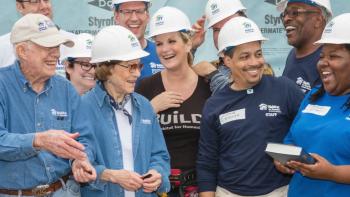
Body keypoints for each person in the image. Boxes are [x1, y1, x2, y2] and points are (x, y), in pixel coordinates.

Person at [197, 17, 304, 197]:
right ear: (227, 60)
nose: (254, 62)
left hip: (280, 191)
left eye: (258, 53)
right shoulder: (215, 104)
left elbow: (307, 131)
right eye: (244, 57)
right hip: (228, 192)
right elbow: (207, 161)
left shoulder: (285, 89)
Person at [0, 13, 96, 197]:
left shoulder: (66, 89)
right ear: (22, 51)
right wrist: (38, 141)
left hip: (64, 191)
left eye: (57, 46)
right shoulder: (2, 85)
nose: (57, 54)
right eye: (48, 46)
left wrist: (81, 160)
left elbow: (85, 138)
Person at [79, 25, 170, 197]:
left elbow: (160, 155)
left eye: (139, 66)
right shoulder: (84, 107)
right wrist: (112, 175)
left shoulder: (144, 106)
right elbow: (81, 162)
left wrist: (157, 174)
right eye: (130, 66)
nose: (136, 73)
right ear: (108, 68)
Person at [136, 7, 211, 196]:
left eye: (172, 41)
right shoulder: (146, 87)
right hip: (157, 188)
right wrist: (151, 109)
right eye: (159, 43)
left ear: (188, 44)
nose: (165, 49)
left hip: (201, 188)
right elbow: (130, 138)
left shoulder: (208, 85)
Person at [274, 13, 350, 196]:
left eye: (334, 56)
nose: (323, 63)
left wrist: (332, 172)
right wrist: (285, 159)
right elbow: (291, 139)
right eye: (322, 55)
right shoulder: (313, 95)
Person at [0, 0, 75, 77]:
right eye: (35, 1)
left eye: (46, 0)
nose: (44, 6)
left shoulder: (74, 42)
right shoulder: (2, 46)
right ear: (19, 6)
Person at [190, 0, 247, 94]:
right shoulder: (211, 68)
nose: (222, 34)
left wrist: (213, 74)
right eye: (216, 29)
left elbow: (240, 101)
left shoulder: (260, 68)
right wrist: (190, 47)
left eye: (229, 26)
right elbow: (177, 85)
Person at [277, 0, 332, 93]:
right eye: (284, 14)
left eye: (295, 12)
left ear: (318, 20)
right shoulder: (292, 54)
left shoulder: (329, 62)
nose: (286, 19)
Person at [112, 0, 164, 82]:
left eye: (140, 11)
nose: (134, 18)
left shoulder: (162, 52)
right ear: (116, 16)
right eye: (127, 12)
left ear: (147, 16)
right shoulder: (105, 56)